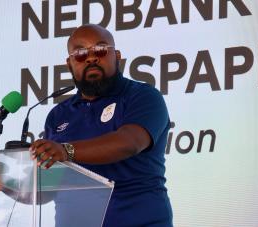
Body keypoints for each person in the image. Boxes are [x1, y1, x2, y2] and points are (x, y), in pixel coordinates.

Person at [30, 24, 173, 227]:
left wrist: (65, 150)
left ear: (117, 56)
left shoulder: (143, 96)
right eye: (80, 53)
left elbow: (129, 142)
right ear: (69, 64)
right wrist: (2, 184)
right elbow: (49, 190)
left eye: (100, 49)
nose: (91, 57)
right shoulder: (58, 115)